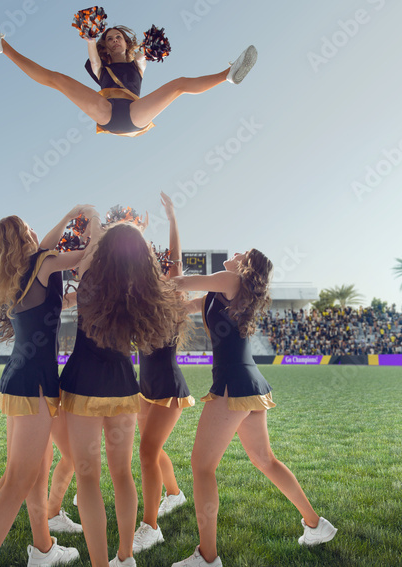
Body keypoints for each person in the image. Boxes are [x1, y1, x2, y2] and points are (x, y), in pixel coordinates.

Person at [172, 250, 336, 567]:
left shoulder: (229, 280)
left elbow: (179, 282)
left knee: (202, 467)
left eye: (241, 253)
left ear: (244, 266)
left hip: (233, 384)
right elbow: (181, 305)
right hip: (250, 384)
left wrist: (140, 280)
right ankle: (316, 525)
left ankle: (207, 558)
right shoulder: (218, 292)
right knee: (265, 460)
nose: (233, 253)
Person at [0, 206, 95, 567]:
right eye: (29, 229)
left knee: (23, 475)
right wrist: (93, 221)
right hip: (35, 384)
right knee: (18, 481)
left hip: (19, 381)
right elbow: (86, 255)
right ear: (21, 239)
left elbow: (46, 250)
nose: (37, 232)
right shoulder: (43, 264)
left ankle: (43, 550)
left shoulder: (24, 271)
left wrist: (70, 215)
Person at [59, 221, 184, 567]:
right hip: (123, 385)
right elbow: (172, 266)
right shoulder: (145, 293)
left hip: (82, 382)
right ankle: (125, 557)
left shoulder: (88, 280)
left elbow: (86, 247)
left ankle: (101, 564)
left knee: (87, 477)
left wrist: (88, 218)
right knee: (123, 474)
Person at [0, 12, 257, 137]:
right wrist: (90, 35)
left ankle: (229, 74)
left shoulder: (138, 63)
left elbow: (146, 51)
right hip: (107, 112)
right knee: (58, 79)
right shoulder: (101, 66)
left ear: (126, 42)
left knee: (178, 85)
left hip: (135, 114)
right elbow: (92, 49)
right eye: (108, 38)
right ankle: (3, 47)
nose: (113, 40)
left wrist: (151, 45)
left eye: (118, 37)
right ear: (105, 47)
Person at [133, 193, 195, 554]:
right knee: (152, 451)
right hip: (145, 388)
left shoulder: (172, 293)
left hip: (169, 388)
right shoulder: (139, 299)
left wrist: (171, 218)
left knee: (145, 452)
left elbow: (176, 259)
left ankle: (150, 525)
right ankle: (174, 493)